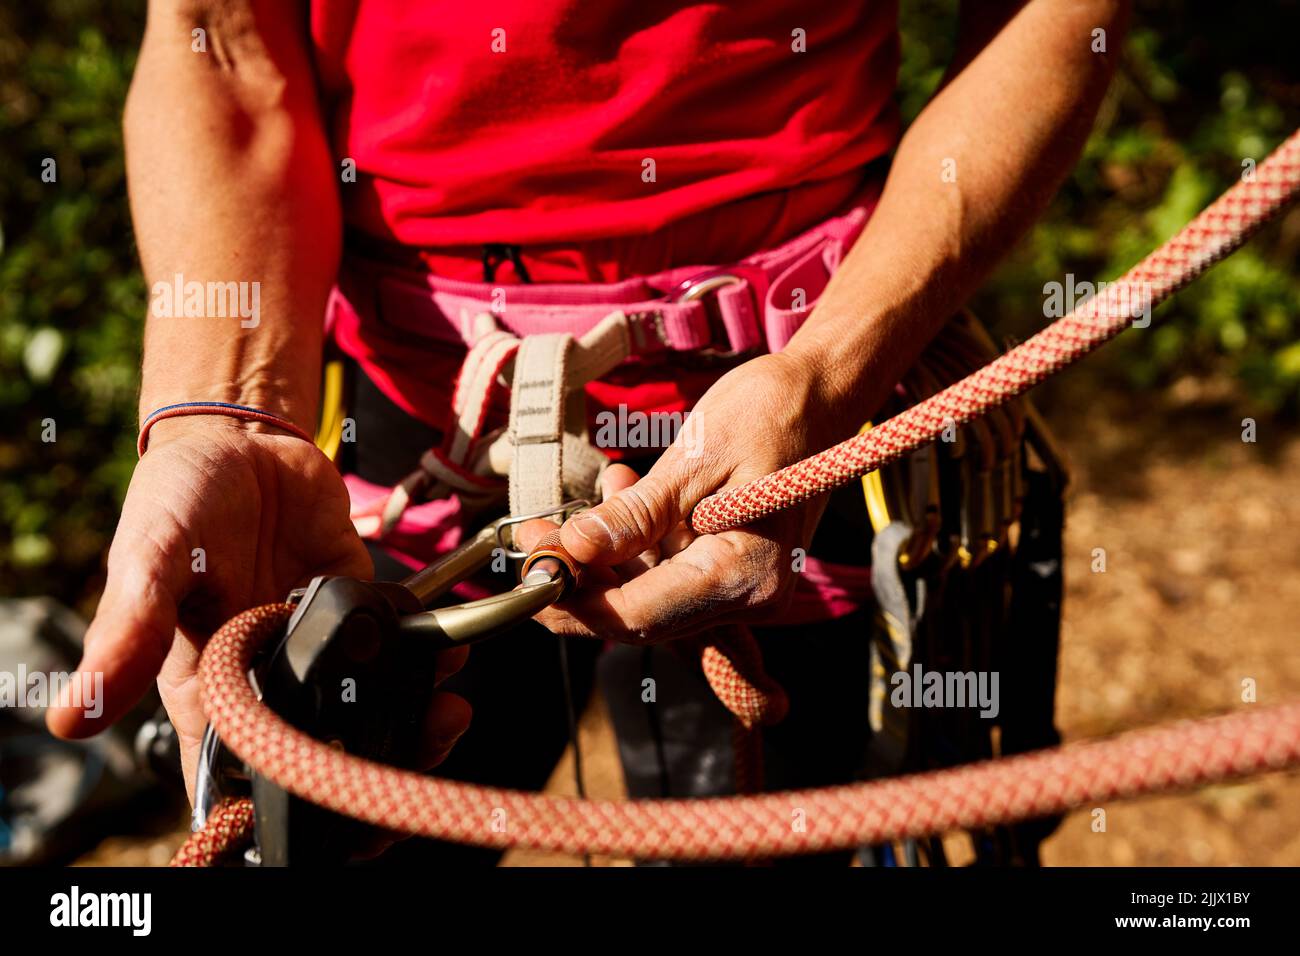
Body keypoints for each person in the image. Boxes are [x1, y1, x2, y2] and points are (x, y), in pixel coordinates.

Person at [48, 0, 1128, 862]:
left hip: (796, 411)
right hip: (395, 433)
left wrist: (831, 368)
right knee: (334, 842)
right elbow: (222, 45)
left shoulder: (815, 390)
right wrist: (224, 409)